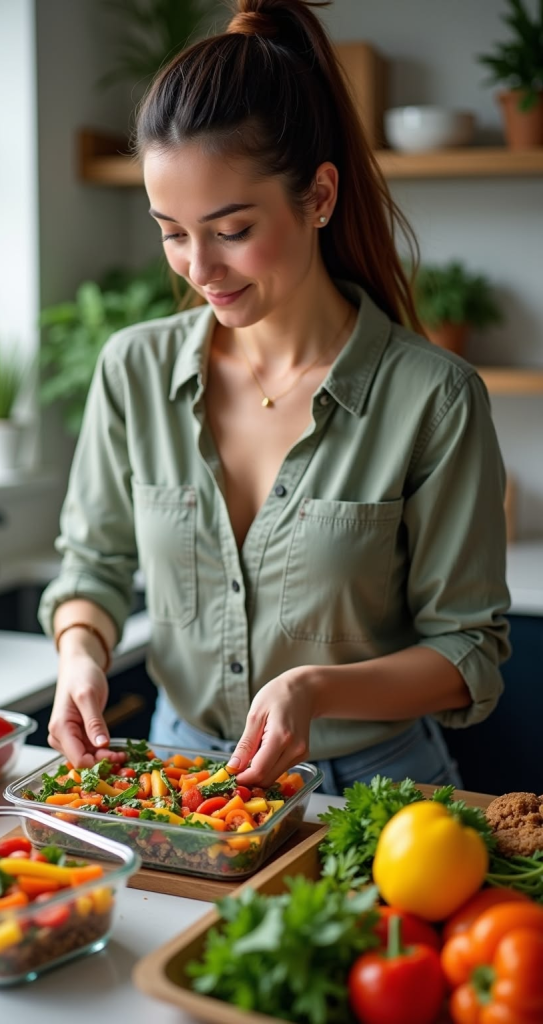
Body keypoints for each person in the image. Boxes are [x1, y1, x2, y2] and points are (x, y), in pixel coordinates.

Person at [38, 0, 510, 796]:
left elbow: (467, 652)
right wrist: (80, 654)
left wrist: (317, 688)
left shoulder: (434, 399)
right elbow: (94, 566)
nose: (198, 267)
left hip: (372, 796)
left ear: (318, 196)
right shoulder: (133, 370)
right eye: (171, 231)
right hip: (178, 783)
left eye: (229, 229)